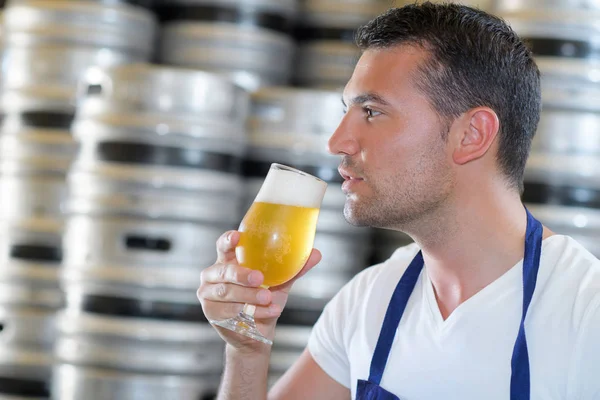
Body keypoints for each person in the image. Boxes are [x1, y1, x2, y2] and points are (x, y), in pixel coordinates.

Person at [197, 2, 600, 399]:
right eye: (347, 111)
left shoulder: (586, 314)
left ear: (472, 135)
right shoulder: (369, 299)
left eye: (371, 112)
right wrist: (247, 350)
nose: (337, 141)